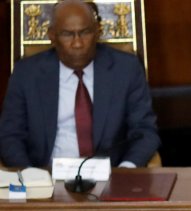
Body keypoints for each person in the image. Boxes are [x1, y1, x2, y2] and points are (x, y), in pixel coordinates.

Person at [0, 0, 159, 168]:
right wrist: (31, 176)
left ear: (98, 32)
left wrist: (126, 169)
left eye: (85, 32)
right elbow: (10, 136)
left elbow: (145, 131)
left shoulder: (126, 69)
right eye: (68, 34)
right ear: (52, 36)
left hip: (112, 175)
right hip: (47, 176)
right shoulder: (26, 73)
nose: (77, 43)